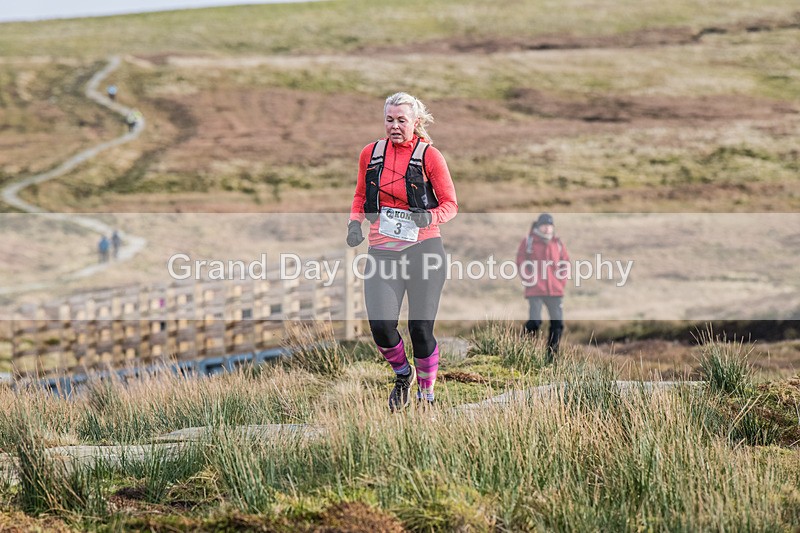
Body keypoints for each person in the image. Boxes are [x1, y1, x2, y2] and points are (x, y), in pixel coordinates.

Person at [347, 92, 458, 412]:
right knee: (381, 327)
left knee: (420, 329)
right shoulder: (370, 153)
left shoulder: (430, 156)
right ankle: (402, 375)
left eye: (401, 120)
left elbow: (451, 204)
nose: (394, 126)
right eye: (389, 119)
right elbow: (360, 195)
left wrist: (430, 217)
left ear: (415, 122)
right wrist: (354, 224)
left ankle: (427, 394)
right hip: (382, 251)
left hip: (424, 250)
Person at [515, 213, 570, 363]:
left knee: (558, 324)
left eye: (550, 225)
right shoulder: (529, 241)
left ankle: (551, 358)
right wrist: (529, 279)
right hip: (535, 290)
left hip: (555, 290)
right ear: (538, 226)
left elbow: (565, 263)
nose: (547, 228)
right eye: (544, 225)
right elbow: (520, 262)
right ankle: (522, 349)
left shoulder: (557, 243)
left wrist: (561, 281)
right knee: (535, 321)